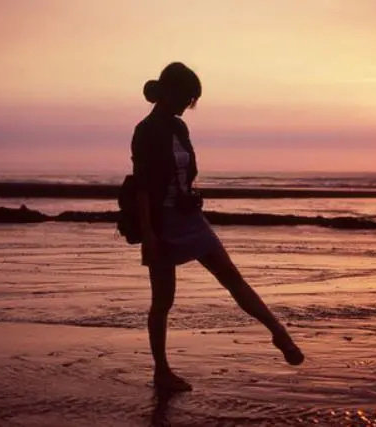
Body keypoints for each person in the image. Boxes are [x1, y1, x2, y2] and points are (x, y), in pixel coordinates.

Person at [131, 62, 304, 392]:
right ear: (170, 92)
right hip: (160, 221)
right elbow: (141, 186)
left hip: (188, 217)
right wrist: (149, 234)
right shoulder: (146, 130)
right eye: (186, 97)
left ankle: (278, 332)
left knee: (231, 277)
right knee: (163, 301)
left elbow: (187, 171)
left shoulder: (179, 128)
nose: (188, 105)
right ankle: (162, 372)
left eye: (191, 99)